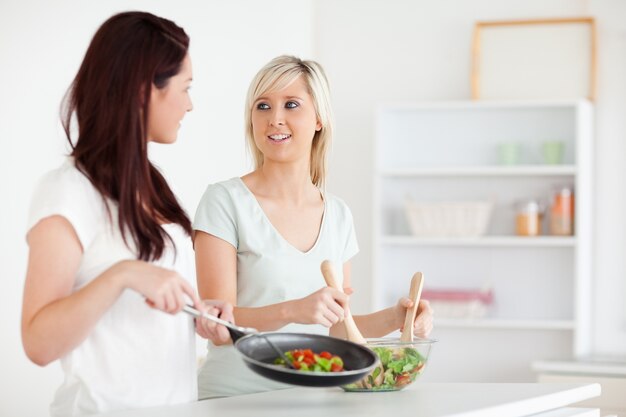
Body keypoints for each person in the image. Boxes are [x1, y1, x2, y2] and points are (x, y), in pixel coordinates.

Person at [21, 11, 233, 416]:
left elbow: (140, 320)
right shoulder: (66, 191)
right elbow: (38, 343)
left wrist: (196, 314)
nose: (190, 104)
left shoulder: (151, 188)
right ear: (143, 90)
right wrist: (123, 274)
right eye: (185, 88)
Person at [193, 55, 434, 399]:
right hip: (234, 398)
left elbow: (338, 328)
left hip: (316, 400)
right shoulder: (224, 201)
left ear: (319, 118)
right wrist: (294, 310)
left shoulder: (338, 215)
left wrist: (397, 317)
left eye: (291, 105)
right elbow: (216, 323)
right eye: (262, 106)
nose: (275, 119)